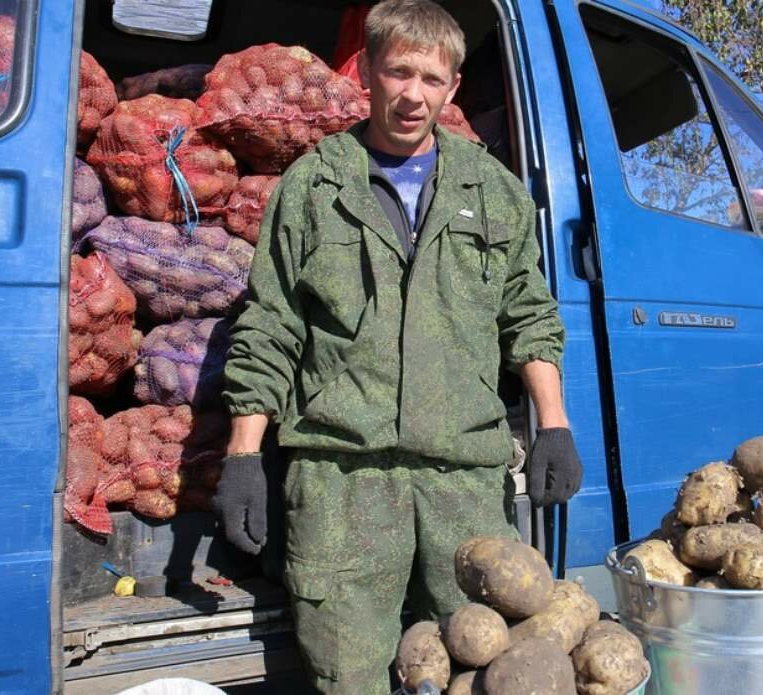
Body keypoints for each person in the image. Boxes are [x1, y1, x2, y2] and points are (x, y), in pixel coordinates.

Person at [215, 1, 582, 692]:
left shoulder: (494, 192)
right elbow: (271, 325)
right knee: (349, 676)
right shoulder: (315, 187)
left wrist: (553, 426)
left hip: (463, 484)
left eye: (432, 79)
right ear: (368, 73)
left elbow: (529, 315)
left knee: (484, 667)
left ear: (453, 88)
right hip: (341, 482)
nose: (413, 94)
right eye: (399, 72)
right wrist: (242, 457)